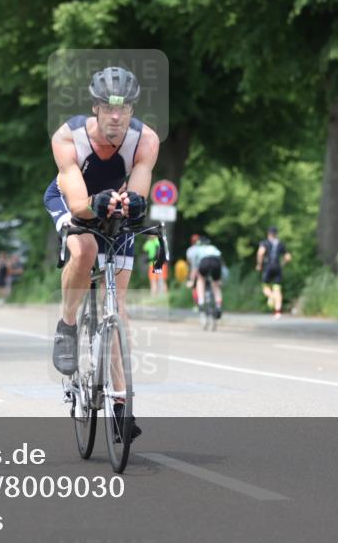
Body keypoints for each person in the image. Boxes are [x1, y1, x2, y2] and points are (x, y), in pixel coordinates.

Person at [44, 66, 160, 439]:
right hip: (73, 198)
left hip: (112, 206)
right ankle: (67, 323)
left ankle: (122, 406)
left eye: (124, 108)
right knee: (85, 248)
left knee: (118, 306)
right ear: (95, 108)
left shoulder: (146, 140)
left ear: (131, 109)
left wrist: (133, 205)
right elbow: (79, 204)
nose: (116, 116)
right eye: (109, 108)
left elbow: (137, 195)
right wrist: (96, 203)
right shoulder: (68, 137)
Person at [255, 226, 291, 320]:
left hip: (268, 266)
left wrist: (259, 265)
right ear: (276, 234)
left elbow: (260, 253)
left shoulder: (265, 243)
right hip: (277, 267)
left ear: (268, 233)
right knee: (277, 289)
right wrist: (282, 264)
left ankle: (271, 297)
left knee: (265, 286)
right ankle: (278, 312)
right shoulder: (280, 243)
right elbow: (288, 257)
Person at [186, 236, 224, 319]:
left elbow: (195, 268)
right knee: (216, 285)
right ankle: (218, 306)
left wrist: (192, 280)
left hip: (205, 261)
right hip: (216, 262)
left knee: (200, 279)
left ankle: (201, 302)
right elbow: (221, 262)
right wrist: (220, 279)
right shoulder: (213, 248)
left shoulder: (197, 250)